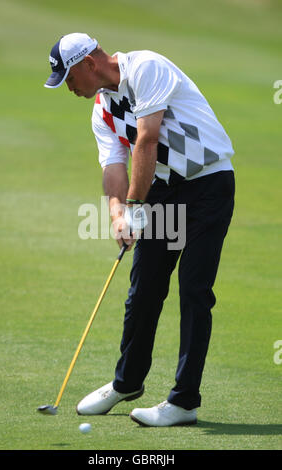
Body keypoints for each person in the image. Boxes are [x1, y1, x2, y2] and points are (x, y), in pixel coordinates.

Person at [44, 33, 235, 427]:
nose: (70, 88)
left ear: (88, 64)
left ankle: (183, 402)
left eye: (69, 78)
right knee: (143, 290)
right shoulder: (101, 111)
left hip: (208, 183)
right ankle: (127, 382)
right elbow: (114, 167)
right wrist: (117, 213)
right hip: (163, 190)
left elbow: (146, 139)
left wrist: (134, 206)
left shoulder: (146, 67)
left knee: (194, 290)